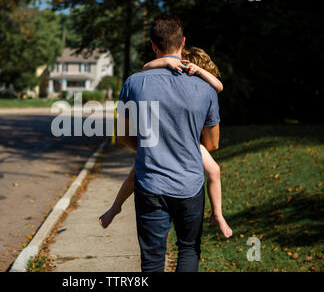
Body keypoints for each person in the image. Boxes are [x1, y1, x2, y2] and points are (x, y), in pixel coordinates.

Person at [110, 15, 221, 272]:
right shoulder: (205, 87)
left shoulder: (133, 83)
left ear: (153, 45)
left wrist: (153, 148)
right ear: (183, 42)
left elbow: (123, 136)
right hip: (190, 185)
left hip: (151, 184)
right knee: (189, 249)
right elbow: (212, 144)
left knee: (151, 260)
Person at [99, 47, 232, 239]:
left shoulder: (197, 77)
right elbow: (147, 67)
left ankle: (115, 208)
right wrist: (167, 62)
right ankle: (218, 214)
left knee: (136, 173)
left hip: (188, 144)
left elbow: (218, 87)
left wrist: (177, 65)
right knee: (214, 171)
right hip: (189, 144)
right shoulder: (197, 82)